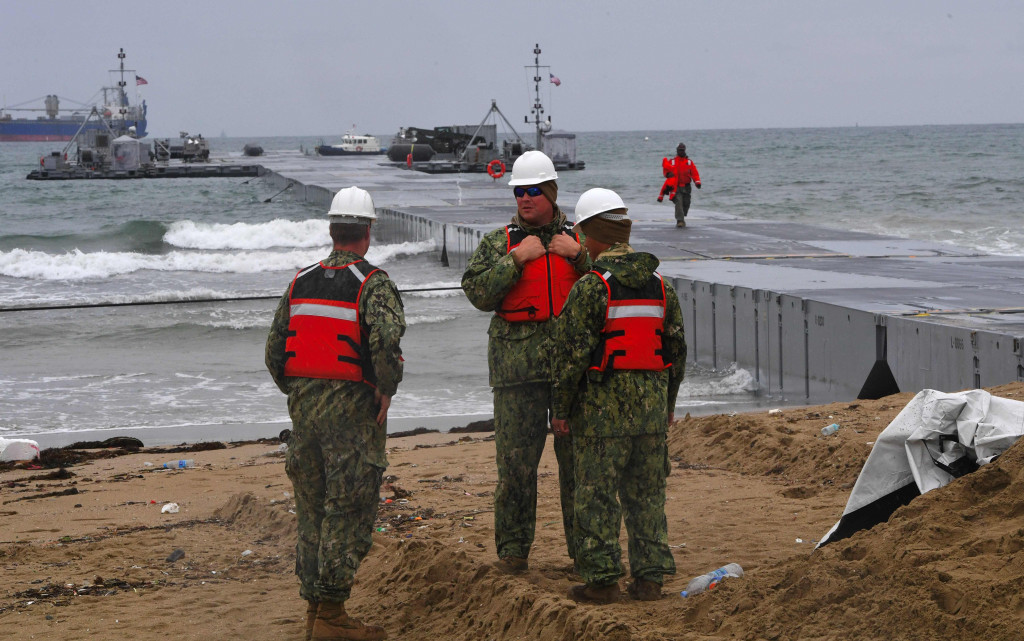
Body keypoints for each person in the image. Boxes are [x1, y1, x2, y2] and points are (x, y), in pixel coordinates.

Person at [265, 186, 404, 641]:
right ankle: (333, 615)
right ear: (366, 233)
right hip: (352, 419)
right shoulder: (373, 283)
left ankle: (315, 613)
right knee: (348, 510)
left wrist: (302, 391)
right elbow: (385, 346)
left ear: (331, 230)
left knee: (311, 512)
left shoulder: (299, 281)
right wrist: (386, 389)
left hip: (304, 416)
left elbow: (274, 353)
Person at [550, 188, 687, 604]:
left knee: (595, 497)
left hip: (600, 418)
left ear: (590, 236)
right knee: (647, 496)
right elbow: (676, 354)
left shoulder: (592, 288)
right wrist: (667, 406)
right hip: (649, 417)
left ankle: (603, 580)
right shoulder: (662, 288)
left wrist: (561, 408)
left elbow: (570, 356)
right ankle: (649, 580)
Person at [461, 150, 591, 575]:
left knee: (579, 470)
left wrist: (578, 256)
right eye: (519, 191)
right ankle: (513, 554)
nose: (525, 198)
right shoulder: (500, 243)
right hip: (517, 374)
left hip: (574, 374)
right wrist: (517, 260)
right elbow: (477, 292)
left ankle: (585, 554)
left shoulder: (578, 239)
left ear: (551, 193)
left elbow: (611, 284)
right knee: (515, 469)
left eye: (534, 191)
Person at [663, 143, 701, 227]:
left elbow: (695, 173)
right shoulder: (672, 161)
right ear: (677, 150)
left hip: (687, 187)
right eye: (680, 150)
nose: (681, 151)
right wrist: (668, 174)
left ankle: (682, 215)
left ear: (685, 150)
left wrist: (697, 182)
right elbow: (665, 169)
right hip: (675, 187)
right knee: (678, 202)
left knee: (686, 203)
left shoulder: (689, 162)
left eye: (682, 150)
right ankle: (680, 221)